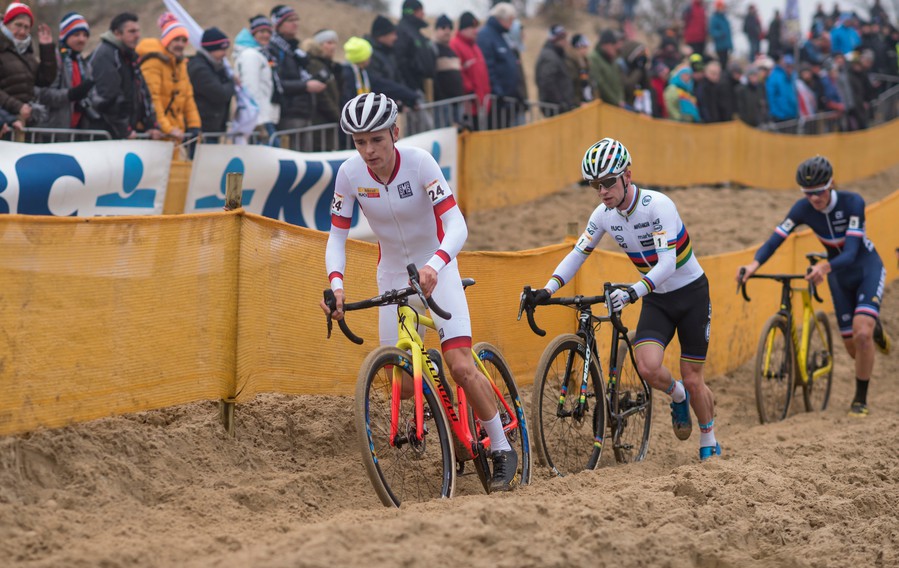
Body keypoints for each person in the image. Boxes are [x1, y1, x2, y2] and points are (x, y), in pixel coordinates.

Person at [321, 92, 520, 490]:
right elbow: (337, 238)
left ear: (395, 132)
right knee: (405, 387)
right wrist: (336, 286)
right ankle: (432, 380)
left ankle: (500, 447)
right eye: (360, 142)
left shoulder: (419, 163)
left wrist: (436, 264)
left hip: (437, 266)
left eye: (377, 139)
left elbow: (457, 224)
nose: (369, 150)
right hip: (393, 273)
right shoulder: (349, 174)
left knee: (461, 366)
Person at [524, 138, 721, 461]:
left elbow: (667, 263)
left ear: (627, 175)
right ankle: (678, 396)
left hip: (691, 294)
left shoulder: (657, 206)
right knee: (647, 367)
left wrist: (633, 291)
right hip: (657, 298)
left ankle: (708, 436)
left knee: (693, 376)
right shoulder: (604, 215)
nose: (602, 191)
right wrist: (548, 288)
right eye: (595, 185)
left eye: (607, 182)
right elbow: (578, 254)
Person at [736, 156, 891, 418]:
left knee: (862, 334)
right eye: (808, 193)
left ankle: (860, 399)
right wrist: (753, 265)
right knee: (854, 349)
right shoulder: (802, 209)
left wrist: (823, 267)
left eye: (819, 192)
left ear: (830, 185)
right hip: (838, 277)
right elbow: (777, 238)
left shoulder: (853, 203)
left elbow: (852, 252)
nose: (814, 199)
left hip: (866, 267)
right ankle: (870, 324)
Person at [88, 12, 160, 139]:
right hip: (105, 133)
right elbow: (109, 97)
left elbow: (143, 92)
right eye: (131, 31)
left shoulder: (130, 56)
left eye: (138, 31)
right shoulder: (105, 54)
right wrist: (124, 129)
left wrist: (151, 125)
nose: (137, 35)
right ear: (117, 33)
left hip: (125, 132)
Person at [136, 13, 201, 144]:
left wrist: (194, 125)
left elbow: (188, 96)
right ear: (167, 41)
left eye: (184, 40)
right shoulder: (153, 62)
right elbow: (153, 99)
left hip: (175, 132)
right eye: (176, 40)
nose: (180, 44)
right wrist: (167, 128)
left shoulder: (181, 64)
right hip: (158, 133)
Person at [268, 5, 326, 145]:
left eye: (296, 19)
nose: (295, 23)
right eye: (289, 20)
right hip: (288, 115)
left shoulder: (294, 50)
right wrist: (306, 86)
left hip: (304, 113)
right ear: (278, 24)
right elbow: (276, 83)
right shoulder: (274, 49)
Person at [33, 12, 96, 131]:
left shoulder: (85, 64)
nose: (82, 39)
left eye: (85, 35)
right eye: (76, 34)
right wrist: (70, 95)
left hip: (77, 131)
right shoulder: (55, 60)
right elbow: (41, 94)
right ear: (65, 36)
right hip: (52, 131)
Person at [0, 2, 57, 125]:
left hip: (26, 121)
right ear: (6, 24)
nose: (22, 31)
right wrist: (18, 107)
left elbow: (44, 80)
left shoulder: (27, 53)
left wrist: (47, 49)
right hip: (5, 123)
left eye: (26, 27)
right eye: (18, 25)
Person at [234, 15, 280, 145]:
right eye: (261, 32)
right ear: (253, 33)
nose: (266, 35)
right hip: (258, 119)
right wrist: (257, 122)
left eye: (269, 32)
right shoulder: (251, 55)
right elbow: (250, 88)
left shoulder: (259, 53)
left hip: (262, 115)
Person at [477, 2, 521, 128]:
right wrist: (498, 92)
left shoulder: (502, 36)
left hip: (507, 99)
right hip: (497, 101)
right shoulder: (486, 36)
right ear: (502, 19)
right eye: (511, 21)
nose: (512, 25)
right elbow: (488, 66)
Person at [188, 27, 236, 140]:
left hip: (213, 127)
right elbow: (220, 94)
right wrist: (233, 82)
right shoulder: (199, 68)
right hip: (203, 129)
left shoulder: (217, 66)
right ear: (211, 49)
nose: (225, 54)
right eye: (221, 50)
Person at [449, 12, 489, 130]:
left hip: (480, 105)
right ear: (463, 28)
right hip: (468, 106)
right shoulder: (455, 45)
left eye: (476, 27)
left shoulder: (475, 47)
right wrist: (469, 90)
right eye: (472, 27)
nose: (475, 31)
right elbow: (458, 73)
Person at [535, 24, 575, 116]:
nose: (566, 41)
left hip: (560, 108)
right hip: (555, 109)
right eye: (562, 38)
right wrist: (560, 103)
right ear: (555, 40)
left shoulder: (557, 54)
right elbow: (547, 82)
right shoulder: (549, 56)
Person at [431, 15, 464, 128]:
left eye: (450, 28)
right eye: (443, 27)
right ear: (436, 30)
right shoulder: (432, 49)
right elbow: (432, 77)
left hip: (457, 103)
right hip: (442, 104)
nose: (447, 31)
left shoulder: (452, 51)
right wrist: (440, 97)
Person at [589, 29, 624, 107]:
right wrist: (616, 101)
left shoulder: (613, 60)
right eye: (613, 45)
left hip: (615, 106)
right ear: (606, 45)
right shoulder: (594, 58)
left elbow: (618, 82)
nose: (616, 48)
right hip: (603, 106)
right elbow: (600, 83)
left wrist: (620, 99)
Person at [567, 33, 593, 107]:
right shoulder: (571, 63)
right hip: (578, 105)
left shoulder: (586, 63)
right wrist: (578, 103)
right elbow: (571, 86)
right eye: (583, 47)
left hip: (587, 101)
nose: (585, 50)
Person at [709, 1, 733, 69]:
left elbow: (729, 34)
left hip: (726, 46)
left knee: (726, 64)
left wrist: (731, 45)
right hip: (720, 45)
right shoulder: (714, 18)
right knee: (721, 63)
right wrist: (720, 34)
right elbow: (712, 31)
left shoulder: (725, 18)